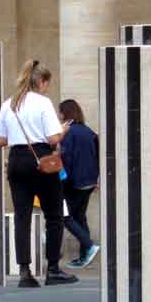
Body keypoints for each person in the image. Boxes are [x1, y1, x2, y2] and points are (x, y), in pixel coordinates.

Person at [0, 59, 78, 288]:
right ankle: (52, 269)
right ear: (40, 81)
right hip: (42, 160)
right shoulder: (43, 103)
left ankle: (24, 272)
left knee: (22, 216)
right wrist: (62, 131)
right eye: (47, 84)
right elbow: (52, 139)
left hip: (16, 161)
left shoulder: (9, 104)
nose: (47, 88)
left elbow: (0, 140)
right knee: (54, 215)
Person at [58, 99, 100, 269]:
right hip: (89, 183)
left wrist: (61, 180)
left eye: (59, 112)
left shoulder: (68, 132)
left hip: (73, 183)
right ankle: (84, 256)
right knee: (80, 217)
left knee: (65, 217)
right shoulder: (88, 131)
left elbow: (66, 158)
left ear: (65, 113)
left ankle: (89, 245)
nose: (58, 115)